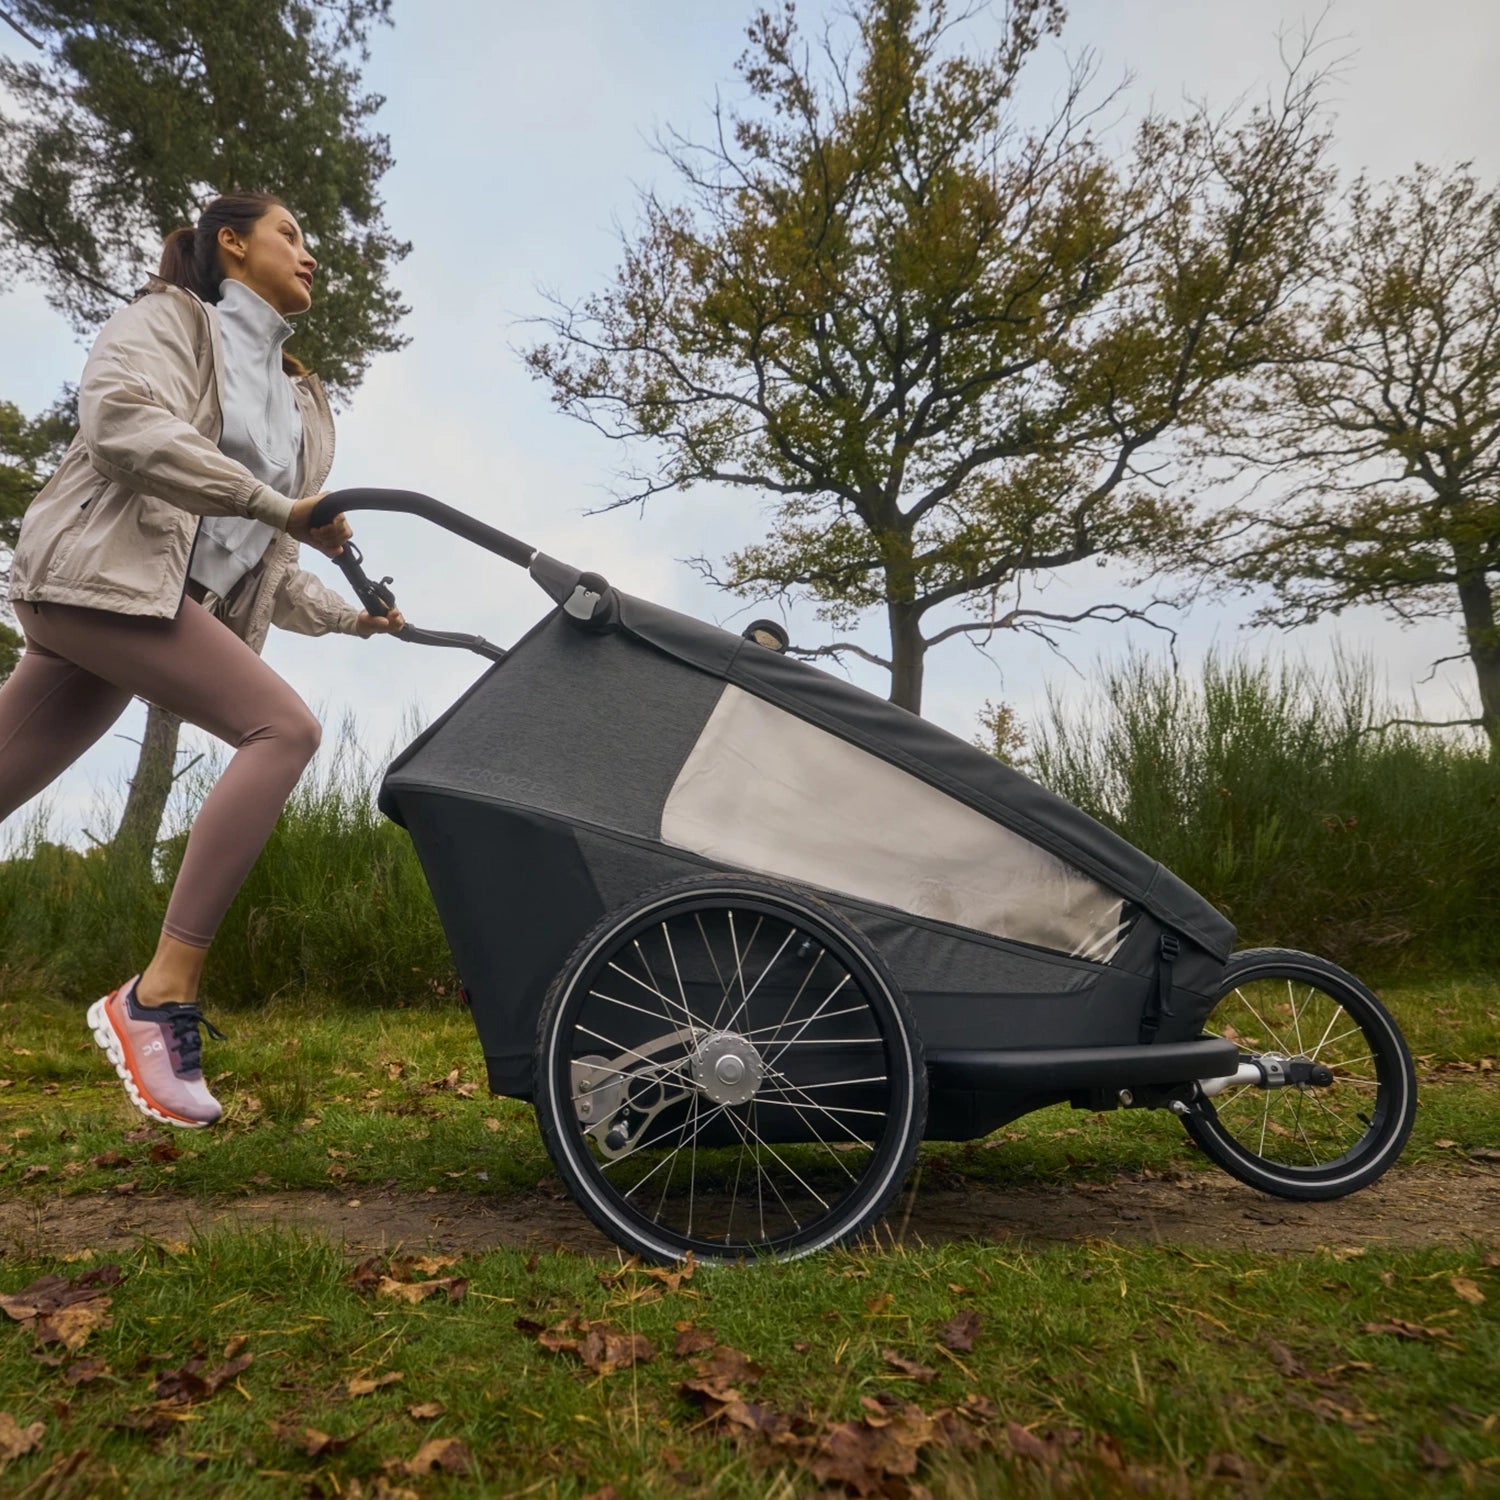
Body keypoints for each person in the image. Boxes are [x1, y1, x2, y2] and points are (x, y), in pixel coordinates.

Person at [0, 190, 406, 1130]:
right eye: (290, 235)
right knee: (284, 730)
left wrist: (355, 620)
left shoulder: (303, 403)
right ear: (232, 243)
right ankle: (158, 994)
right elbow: (122, 424)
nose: (310, 255)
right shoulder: (171, 322)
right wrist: (279, 507)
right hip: (95, 579)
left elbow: (266, 566)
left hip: (140, 610)